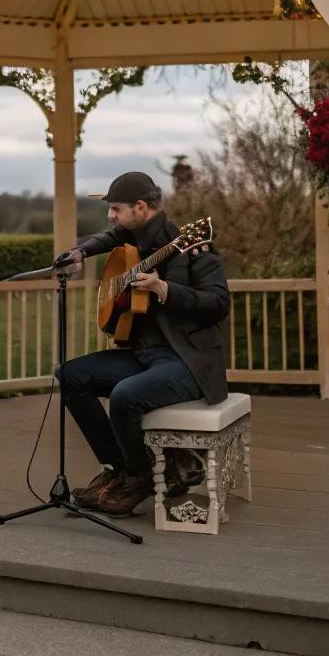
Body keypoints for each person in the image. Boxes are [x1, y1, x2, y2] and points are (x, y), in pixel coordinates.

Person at [55, 170, 230, 518]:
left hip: (186, 361)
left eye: (116, 208)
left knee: (125, 396)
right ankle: (119, 467)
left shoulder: (192, 244)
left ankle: (139, 477)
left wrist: (164, 290)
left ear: (140, 207)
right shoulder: (132, 238)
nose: (111, 215)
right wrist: (79, 252)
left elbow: (218, 303)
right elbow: (106, 238)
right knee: (71, 375)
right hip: (142, 355)